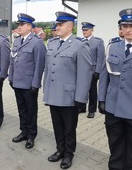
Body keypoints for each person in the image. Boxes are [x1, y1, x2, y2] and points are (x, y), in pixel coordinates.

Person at [43, 11, 92, 169]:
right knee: (57, 125)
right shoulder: (52, 43)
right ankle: (60, 150)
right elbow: (48, 69)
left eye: (60, 24)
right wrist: (46, 91)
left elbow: (85, 74)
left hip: (70, 96)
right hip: (54, 95)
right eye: (57, 24)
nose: (57, 27)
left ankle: (69, 154)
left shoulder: (80, 45)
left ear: (70, 26)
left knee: (69, 128)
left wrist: (81, 97)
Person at [98, 8, 132, 170]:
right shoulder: (113, 46)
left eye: (131, 26)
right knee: (115, 144)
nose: (127, 30)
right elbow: (104, 75)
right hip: (113, 107)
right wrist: (102, 99)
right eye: (125, 26)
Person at [9, 13, 46, 149]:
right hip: (17, 82)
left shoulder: (37, 42)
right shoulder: (17, 41)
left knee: (31, 110)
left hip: (29, 84)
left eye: (22, 24)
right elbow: (12, 61)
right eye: (18, 24)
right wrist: (11, 77)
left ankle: (31, 135)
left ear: (29, 26)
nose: (19, 27)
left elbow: (39, 65)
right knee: (21, 109)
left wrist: (35, 84)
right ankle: (23, 132)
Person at [78, 22, 105, 118]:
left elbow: (100, 58)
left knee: (92, 91)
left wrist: (97, 71)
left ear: (92, 30)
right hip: (82, 71)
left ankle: (92, 110)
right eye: (83, 30)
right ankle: (82, 107)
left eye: (86, 30)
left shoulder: (98, 42)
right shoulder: (80, 41)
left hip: (92, 71)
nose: (84, 32)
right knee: (82, 90)